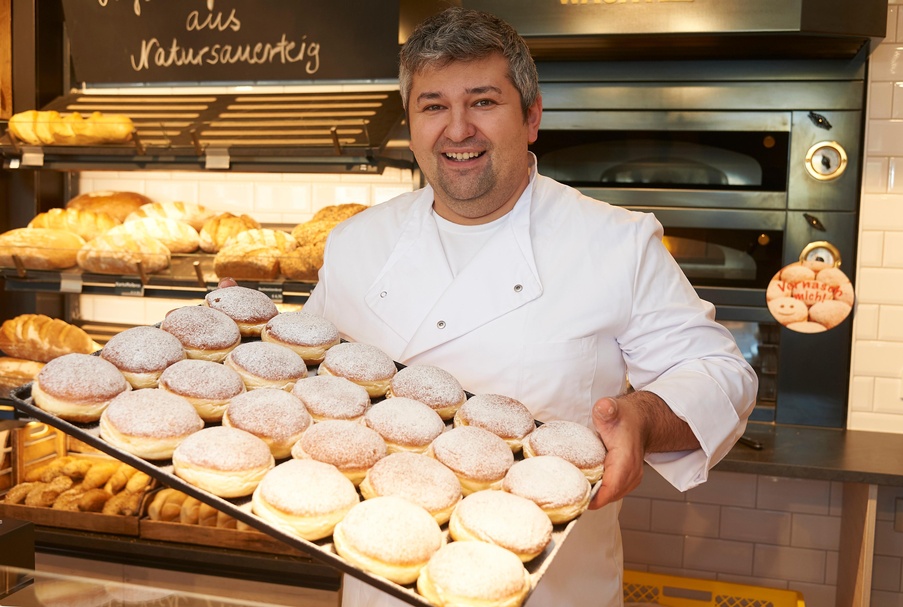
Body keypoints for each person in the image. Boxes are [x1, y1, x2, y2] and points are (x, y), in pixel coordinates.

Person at [262, 6, 756, 606]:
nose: (458, 128)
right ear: (412, 122)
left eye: (484, 102)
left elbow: (722, 373)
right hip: (382, 577)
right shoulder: (358, 241)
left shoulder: (614, 242)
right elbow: (307, 373)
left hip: (548, 590)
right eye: (434, 105)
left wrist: (644, 420)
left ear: (531, 117)